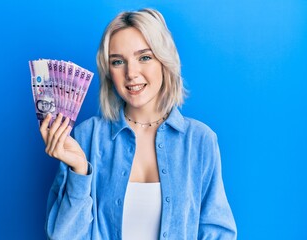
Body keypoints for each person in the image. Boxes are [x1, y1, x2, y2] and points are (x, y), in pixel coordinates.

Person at [40, 8, 237, 240]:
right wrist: (80, 172)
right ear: (108, 72)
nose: (131, 73)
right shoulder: (86, 137)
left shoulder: (200, 140)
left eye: (144, 57)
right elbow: (63, 236)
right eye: (118, 61)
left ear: (164, 61)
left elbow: (218, 233)